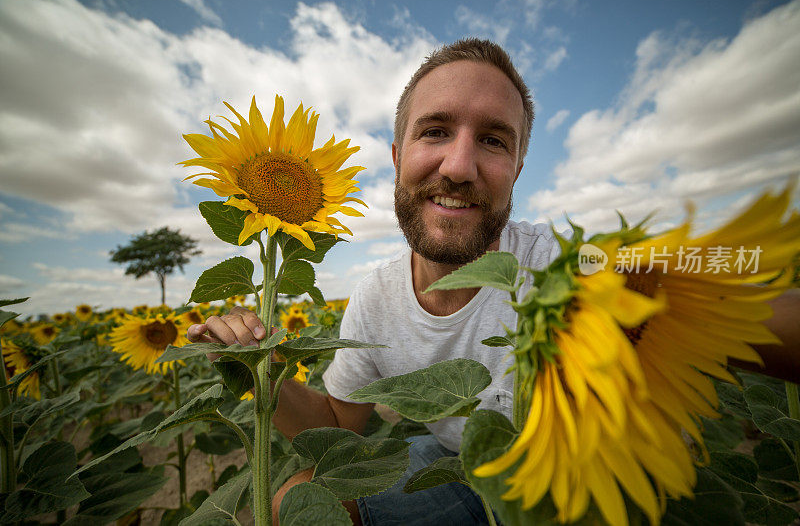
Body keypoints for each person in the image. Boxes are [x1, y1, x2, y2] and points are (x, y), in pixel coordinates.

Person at [187, 39, 800, 525]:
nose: (458, 166)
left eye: (492, 140)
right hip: (465, 470)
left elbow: (737, 293)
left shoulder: (566, 267)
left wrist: (667, 282)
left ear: (517, 169)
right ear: (397, 156)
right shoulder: (376, 297)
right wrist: (253, 367)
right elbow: (334, 422)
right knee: (295, 497)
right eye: (434, 131)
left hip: (572, 480)